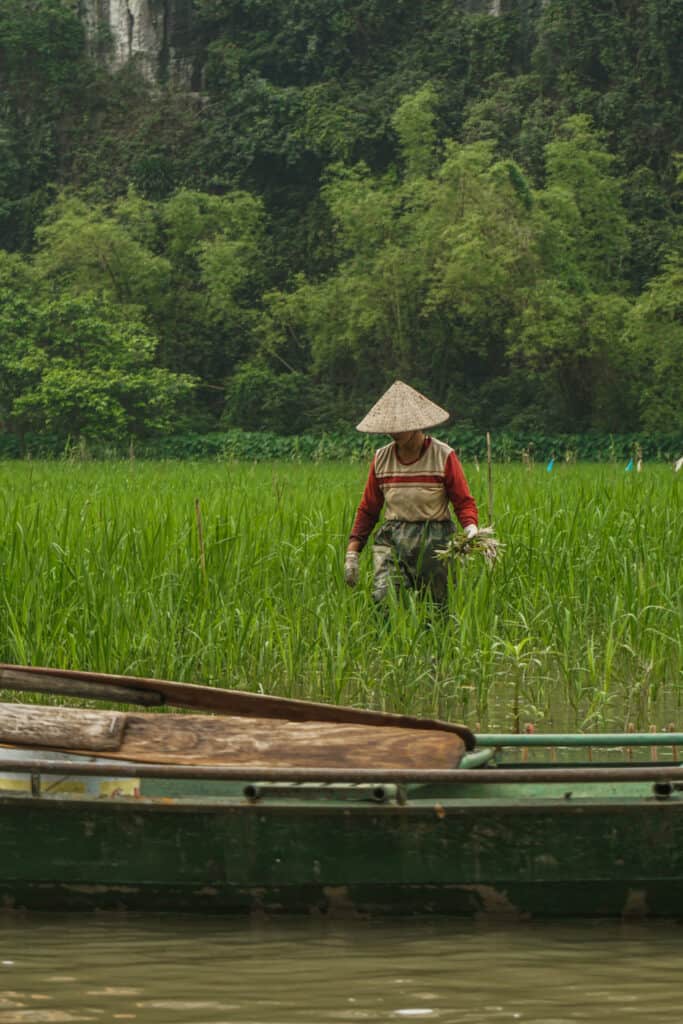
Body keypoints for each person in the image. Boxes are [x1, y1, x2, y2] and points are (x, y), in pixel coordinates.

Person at [344, 380, 478, 605]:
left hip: (435, 539)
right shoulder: (381, 459)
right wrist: (353, 552)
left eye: (401, 425)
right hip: (393, 537)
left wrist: (471, 528)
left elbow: (463, 502)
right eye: (390, 426)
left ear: (416, 423)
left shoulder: (443, 456)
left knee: (437, 609)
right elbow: (368, 509)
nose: (394, 432)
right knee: (384, 600)